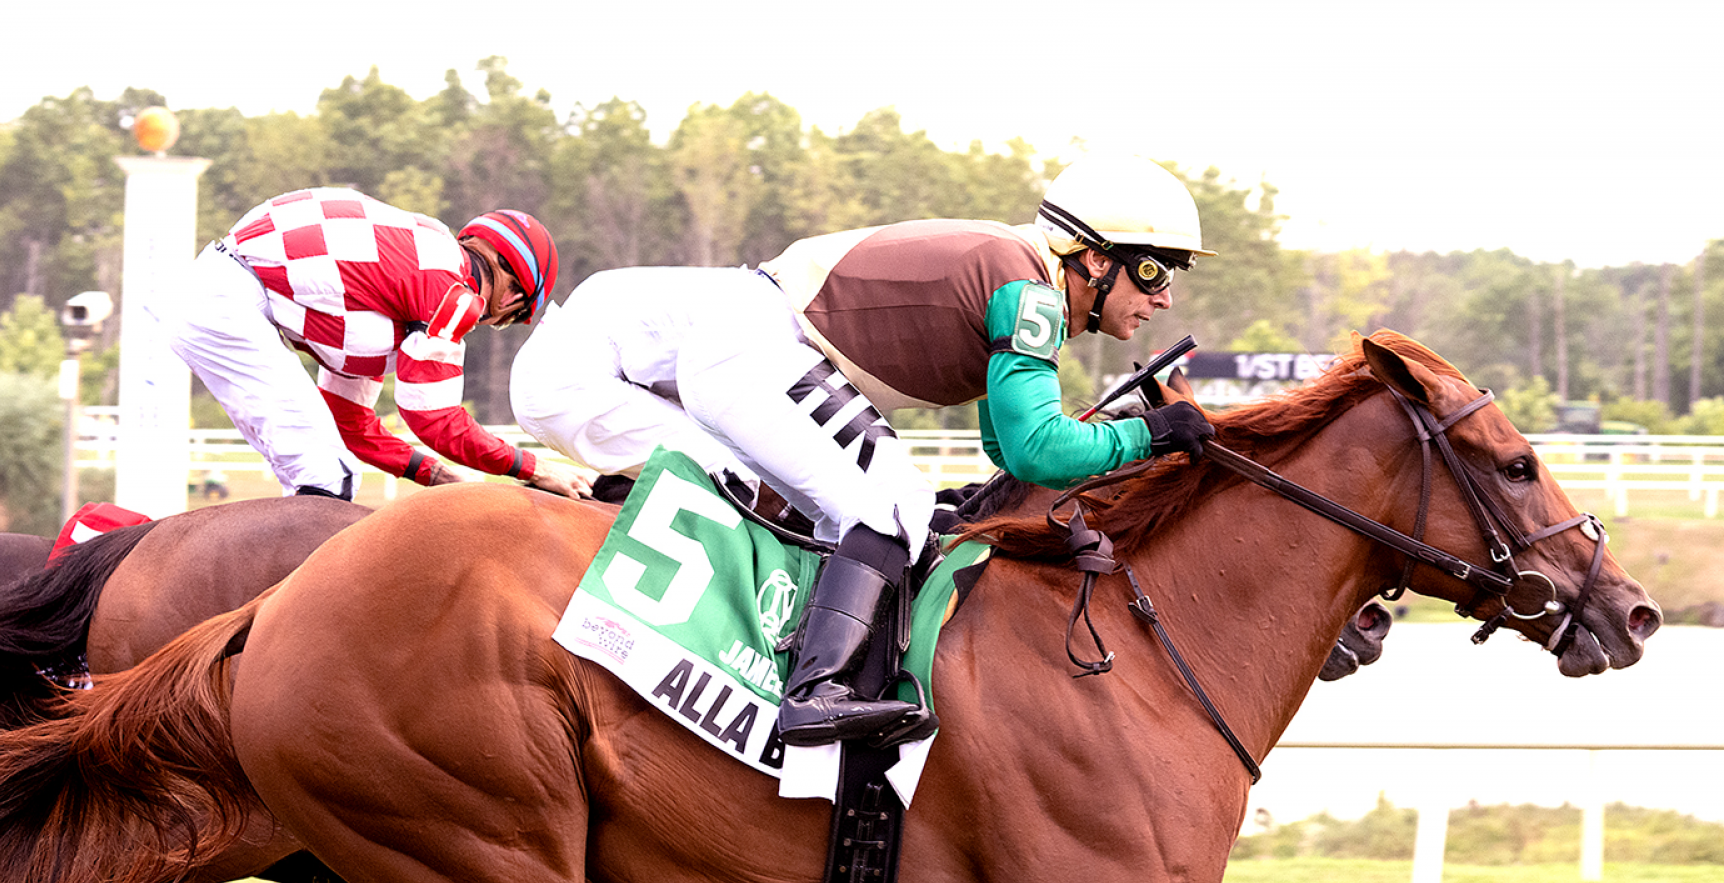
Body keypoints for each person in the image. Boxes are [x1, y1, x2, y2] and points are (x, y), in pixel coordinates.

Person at [511, 152, 1215, 746]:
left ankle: (786, 670)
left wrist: (1102, 437)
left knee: (895, 505)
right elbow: (1033, 449)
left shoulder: (1023, 279)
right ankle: (817, 688)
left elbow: (1003, 444)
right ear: (1093, 258)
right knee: (891, 509)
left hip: (742, 337)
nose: (1165, 298)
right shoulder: (1029, 289)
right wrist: (1150, 432)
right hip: (757, 342)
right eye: (1155, 271)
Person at [163, 188, 592, 502]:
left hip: (216, 288)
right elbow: (435, 420)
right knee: (330, 479)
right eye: (505, 320)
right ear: (512, 293)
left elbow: (349, 422)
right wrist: (537, 468)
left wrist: (437, 476)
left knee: (326, 475)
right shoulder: (455, 294)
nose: (487, 322)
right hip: (227, 302)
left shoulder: (403, 279)